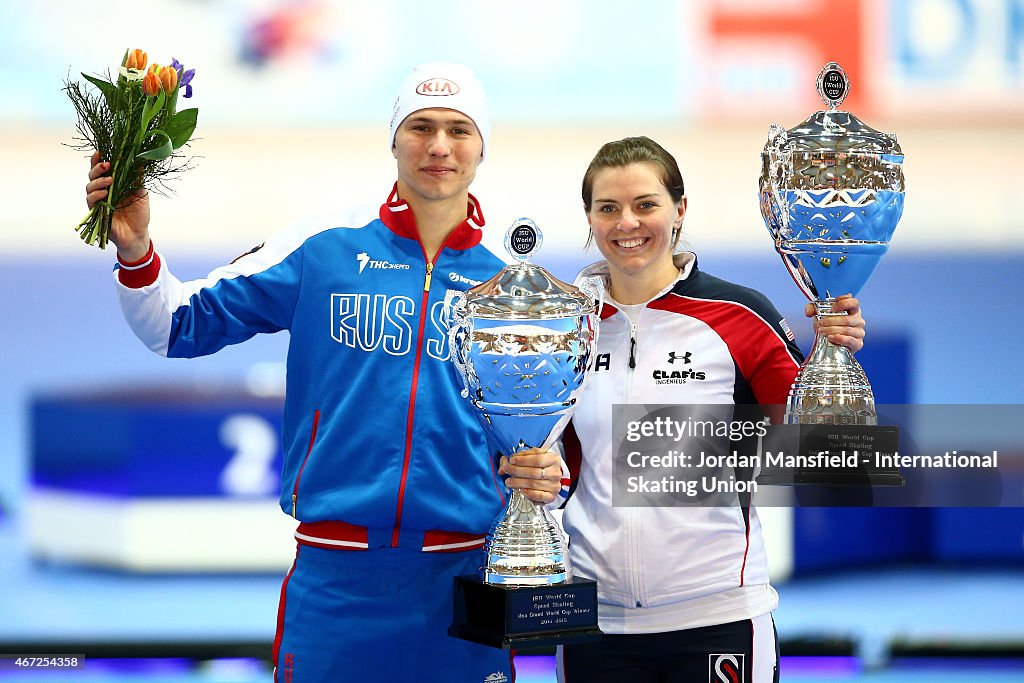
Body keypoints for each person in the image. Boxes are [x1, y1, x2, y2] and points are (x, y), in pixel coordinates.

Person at [84, 62, 563, 683]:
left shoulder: (514, 276)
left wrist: (552, 472)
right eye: (420, 127)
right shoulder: (323, 247)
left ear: (481, 147)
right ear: (394, 139)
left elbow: (549, 431)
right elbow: (175, 326)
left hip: (465, 583)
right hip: (336, 580)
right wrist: (135, 249)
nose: (438, 146)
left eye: (458, 130)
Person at [501, 136, 866, 683]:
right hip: (597, 626)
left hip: (719, 618)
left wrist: (835, 367)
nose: (628, 223)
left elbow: (829, 452)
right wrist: (524, 470)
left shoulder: (740, 316)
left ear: (680, 209)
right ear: (590, 218)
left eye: (646, 204)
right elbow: (547, 456)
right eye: (609, 208)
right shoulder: (561, 326)